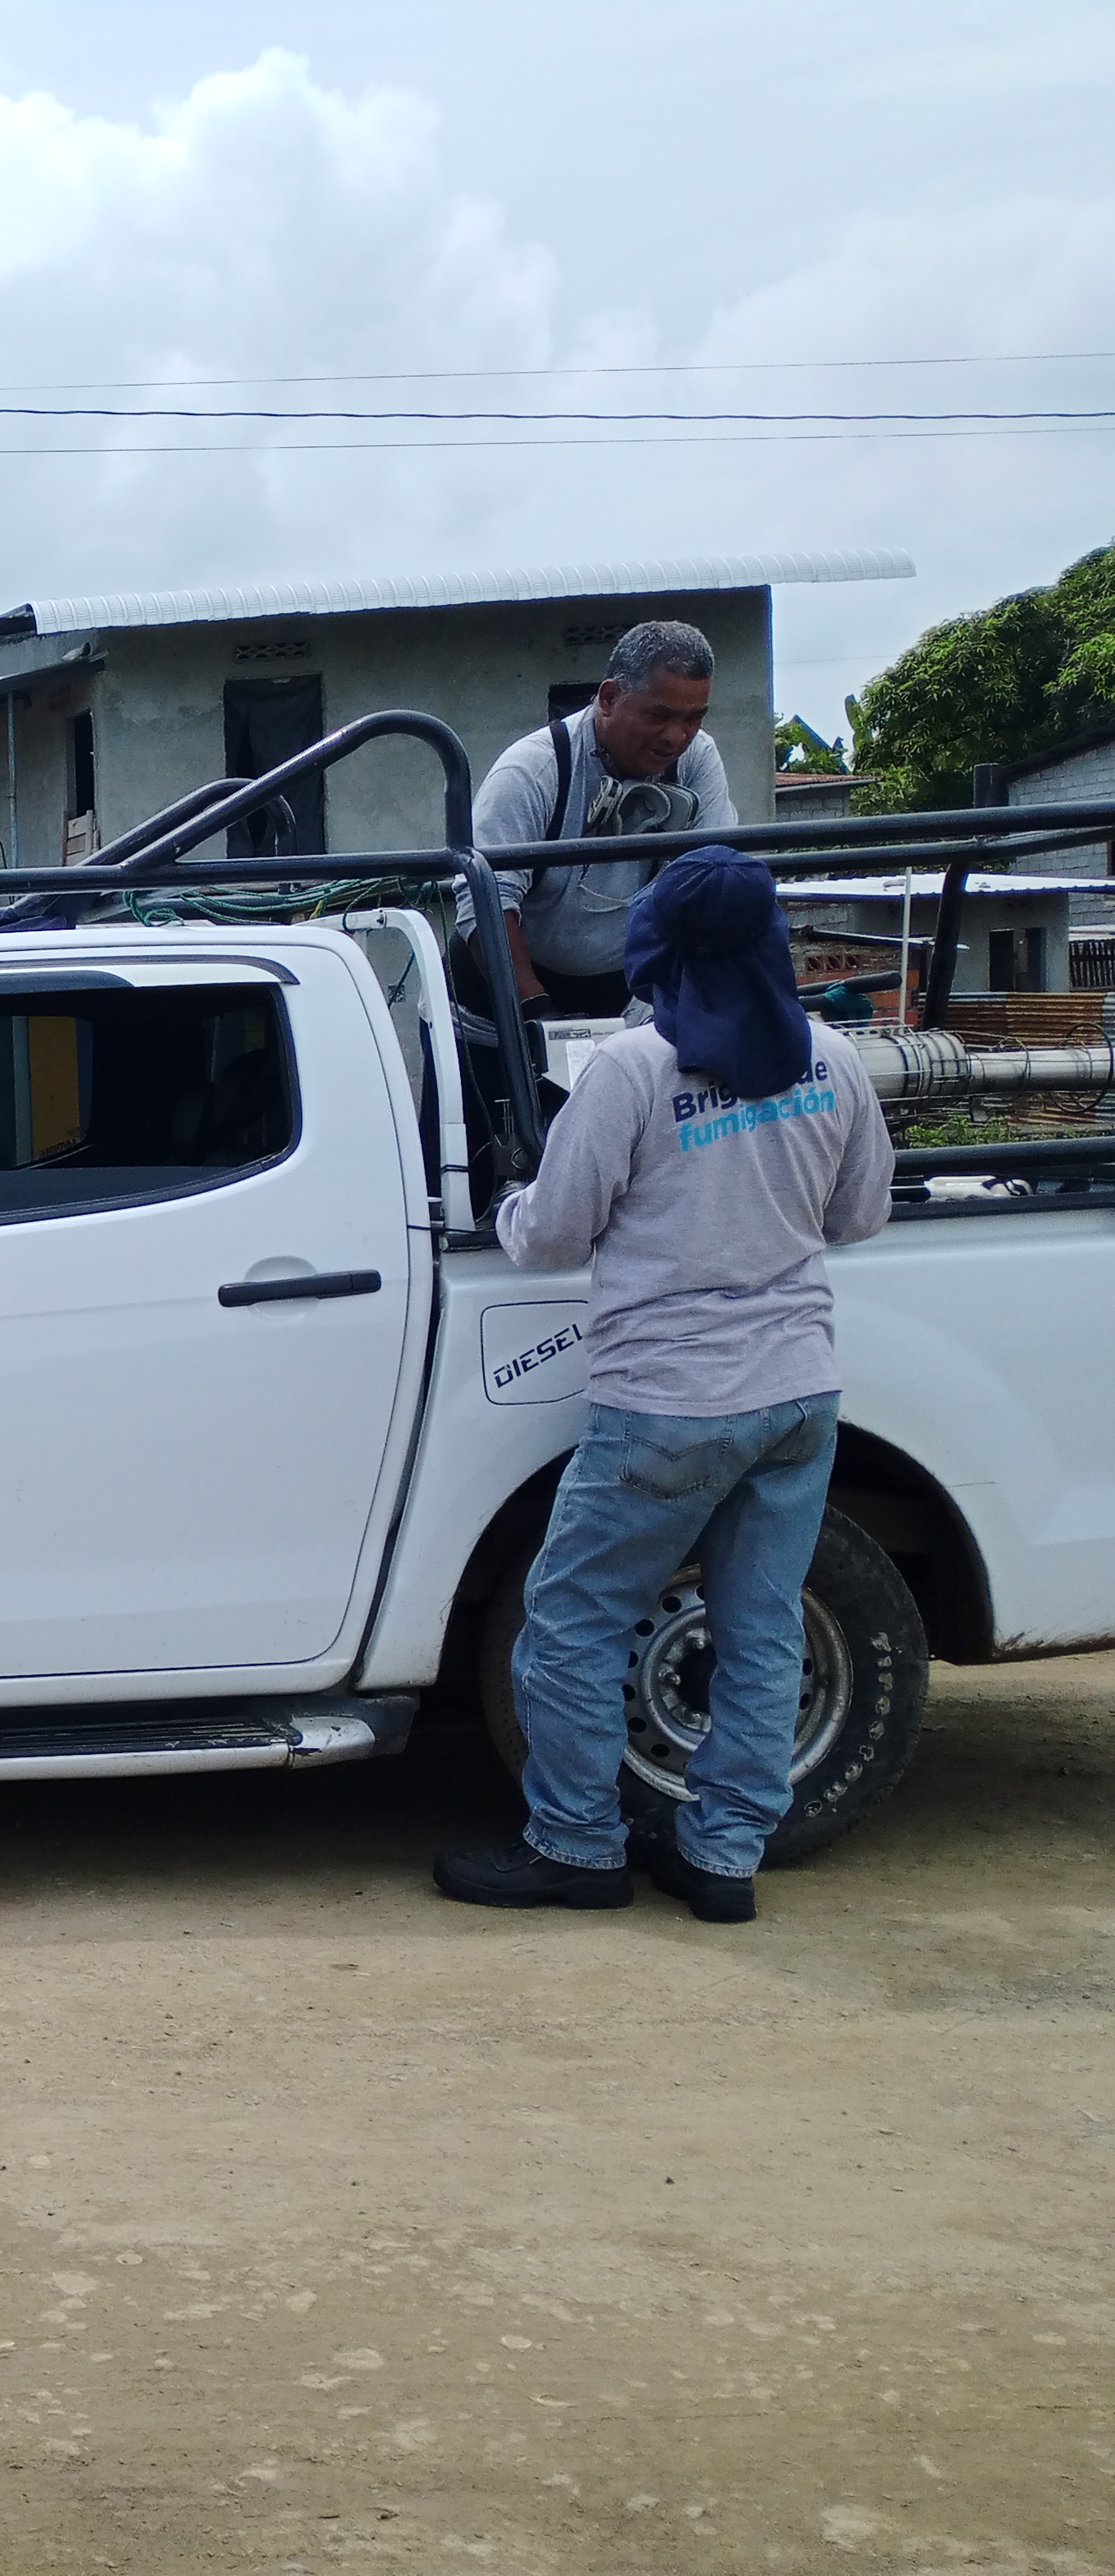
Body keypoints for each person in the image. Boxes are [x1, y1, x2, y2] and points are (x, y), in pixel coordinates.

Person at [435, 844, 894, 1925]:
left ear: (658, 947)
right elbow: (860, 1215)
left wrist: (507, 1206)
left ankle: (576, 1846)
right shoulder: (833, 1060)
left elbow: (554, 1235)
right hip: (798, 1393)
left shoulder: (634, 1071)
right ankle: (725, 1861)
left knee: (572, 1620)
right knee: (762, 1628)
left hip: (668, 1406)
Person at [473, 621, 737, 1017]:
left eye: (693, 718)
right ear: (610, 698)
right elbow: (487, 904)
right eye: (658, 715)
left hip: (623, 1002)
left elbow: (713, 884)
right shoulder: (533, 770)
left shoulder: (697, 758)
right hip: (494, 1010)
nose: (675, 736)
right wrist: (537, 1016)